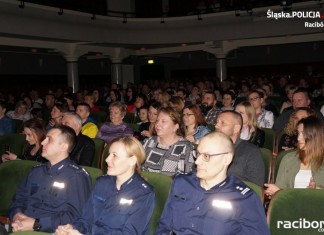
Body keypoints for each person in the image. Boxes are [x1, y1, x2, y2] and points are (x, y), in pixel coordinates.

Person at [156, 131, 270, 235]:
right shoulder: (182, 183)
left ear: (226, 159)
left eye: (206, 156)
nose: (197, 161)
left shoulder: (244, 197)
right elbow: (164, 226)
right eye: (198, 153)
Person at [55, 136, 155, 235]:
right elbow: (85, 219)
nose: (107, 159)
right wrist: (72, 228)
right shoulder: (102, 183)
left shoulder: (143, 193)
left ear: (132, 160)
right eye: (109, 154)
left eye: (114, 155)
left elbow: (129, 233)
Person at [8, 126, 91, 233]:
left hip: (51, 231)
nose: (42, 142)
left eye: (49, 139)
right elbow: (18, 199)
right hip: (21, 226)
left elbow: (76, 216)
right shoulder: (35, 171)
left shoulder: (76, 176)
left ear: (63, 147)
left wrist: (36, 224)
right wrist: (17, 215)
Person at [265, 116, 324, 196]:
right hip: (289, 205)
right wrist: (277, 192)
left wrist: (316, 191)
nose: (299, 138)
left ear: (315, 136)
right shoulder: (289, 158)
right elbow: (279, 189)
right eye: (298, 133)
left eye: (303, 134)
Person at [215, 110, 265, 186]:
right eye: (217, 122)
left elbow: (256, 187)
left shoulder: (251, 152)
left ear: (236, 128)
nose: (216, 126)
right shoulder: (211, 147)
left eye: (222, 123)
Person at [142, 107, 194, 176]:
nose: (157, 124)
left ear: (175, 127)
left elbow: (183, 177)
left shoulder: (184, 147)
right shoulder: (150, 141)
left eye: (163, 121)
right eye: (157, 121)